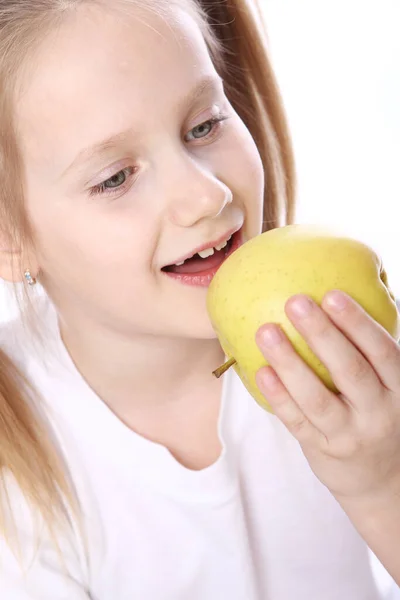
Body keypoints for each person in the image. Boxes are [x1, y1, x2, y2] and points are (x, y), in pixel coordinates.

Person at [0, 0, 399, 598]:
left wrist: (380, 479)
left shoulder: (344, 354)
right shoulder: (19, 480)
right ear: (10, 236)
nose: (205, 195)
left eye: (205, 125)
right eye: (115, 178)